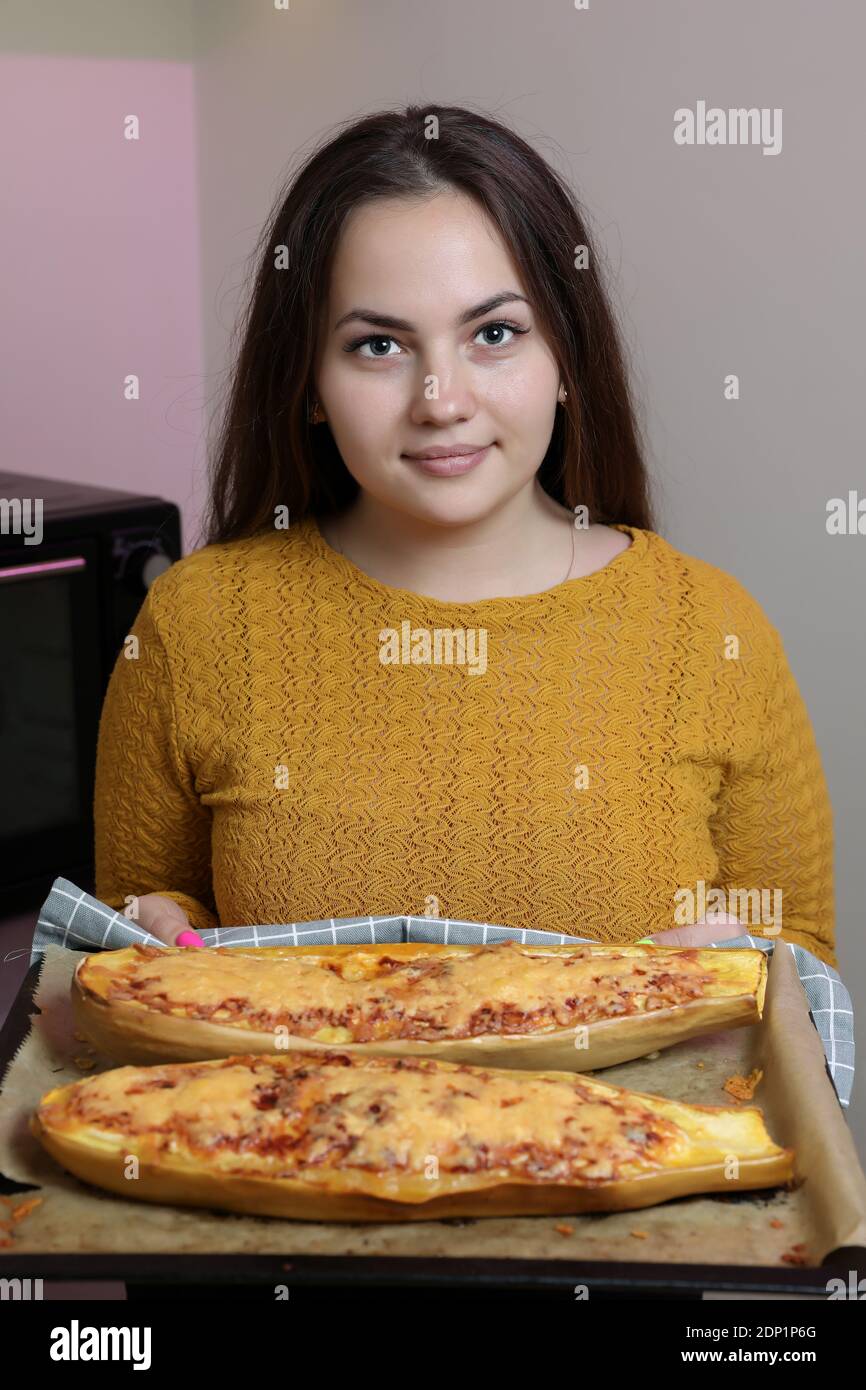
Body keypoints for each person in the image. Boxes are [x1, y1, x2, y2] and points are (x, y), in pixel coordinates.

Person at [92, 103, 836, 967]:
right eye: (378, 346)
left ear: (566, 359)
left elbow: (804, 954)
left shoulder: (713, 630)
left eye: (494, 334)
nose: (441, 400)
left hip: (637, 1107)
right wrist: (156, 931)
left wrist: (754, 962)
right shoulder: (196, 623)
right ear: (308, 383)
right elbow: (136, 922)